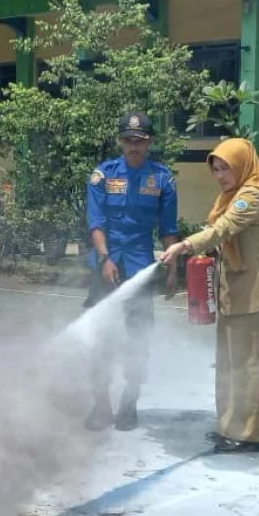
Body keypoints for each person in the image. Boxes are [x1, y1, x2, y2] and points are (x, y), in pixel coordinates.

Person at [160, 138, 259, 454]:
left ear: (243, 165)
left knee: (252, 365)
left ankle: (249, 434)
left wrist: (183, 246)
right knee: (240, 363)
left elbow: (222, 230)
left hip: (254, 293)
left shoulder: (250, 197)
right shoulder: (232, 195)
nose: (221, 175)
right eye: (217, 169)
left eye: (227, 167)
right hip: (235, 293)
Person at [82, 112, 179, 432]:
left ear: (149, 142)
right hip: (105, 265)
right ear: (120, 141)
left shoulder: (162, 180)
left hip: (140, 265)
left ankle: (129, 401)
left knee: (139, 338)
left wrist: (172, 269)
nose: (133, 146)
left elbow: (168, 230)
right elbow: (96, 223)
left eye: (139, 141)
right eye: (127, 140)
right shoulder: (103, 176)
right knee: (100, 337)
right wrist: (106, 258)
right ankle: (100, 403)